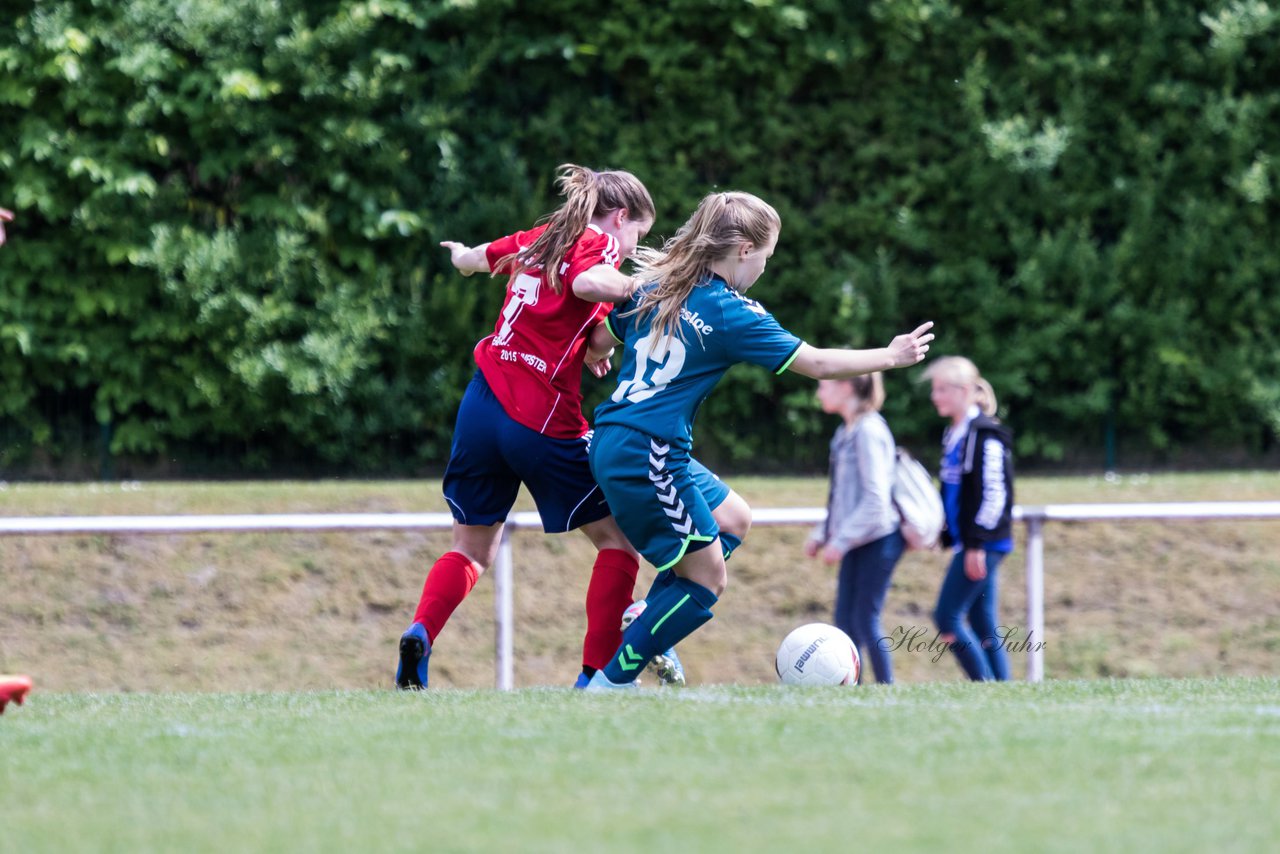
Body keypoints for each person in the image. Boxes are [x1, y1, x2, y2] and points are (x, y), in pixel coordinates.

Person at [582, 191, 934, 689]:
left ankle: (647, 613)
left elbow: (600, 340)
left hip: (619, 436)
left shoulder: (658, 285)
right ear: (745, 249)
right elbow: (816, 363)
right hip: (648, 451)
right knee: (706, 580)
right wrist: (891, 357)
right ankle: (609, 685)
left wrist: (595, 351)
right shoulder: (730, 311)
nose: (765, 270)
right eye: (766, 258)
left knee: (734, 517)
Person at [398, 164, 718, 690]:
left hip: (481, 404)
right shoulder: (598, 243)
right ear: (620, 217)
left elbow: (477, 260)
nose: (633, 246)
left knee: (471, 548)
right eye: (637, 234)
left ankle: (421, 632)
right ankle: (595, 677)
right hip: (540, 417)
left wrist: (458, 256)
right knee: (617, 542)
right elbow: (591, 281)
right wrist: (645, 289)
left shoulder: (541, 237)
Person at [805, 372, 904, 684]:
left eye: (824, 385)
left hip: (878, 539)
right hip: (858, 540)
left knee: (864, 618)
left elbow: (877, 499)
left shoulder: (868, 431)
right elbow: (843, 498)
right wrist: (824, 534)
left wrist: (841, 541)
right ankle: (852, 689)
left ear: (845, 386)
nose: (819, 392)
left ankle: (887, 689)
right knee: (844, 621)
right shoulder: (845, 431)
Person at [922, 356, 1015, 681]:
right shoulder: (955, 434)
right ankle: (1003, 692)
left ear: (963, 391)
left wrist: (976, 543)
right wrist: (945, 533)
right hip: (971, 541)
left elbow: (994, 494)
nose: (935, 397)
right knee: (981, 619)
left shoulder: (985, 434)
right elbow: (952, 490)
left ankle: (984, 685)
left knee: (946, 616)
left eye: (941, 389)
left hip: (984, 542)